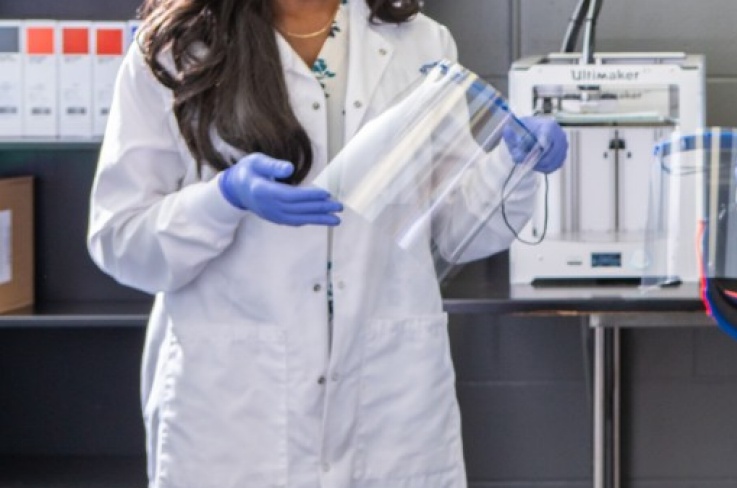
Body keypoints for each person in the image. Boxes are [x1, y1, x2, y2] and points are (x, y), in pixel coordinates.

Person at [86, 0, 568, 485]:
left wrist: (512, 165)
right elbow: (121, 238)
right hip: (235, 407)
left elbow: (456, 231)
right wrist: (223, 199)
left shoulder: (419, 40)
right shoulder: (175, 50)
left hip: (387, 400)